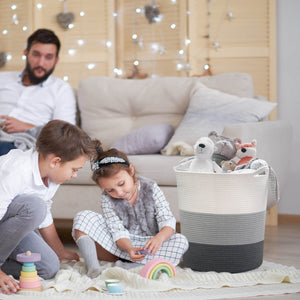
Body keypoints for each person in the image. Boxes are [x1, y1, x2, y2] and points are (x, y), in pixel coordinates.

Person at [0, 120, 96, 295]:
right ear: (56, 162)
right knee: (34, 207)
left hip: (7, 226)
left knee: (48, 267)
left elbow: (45, 215)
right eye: (74, 169)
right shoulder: (16, 170)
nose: (74, 175)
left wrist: (59, 251)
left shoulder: (52, 176)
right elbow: (37, 210)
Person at [72, 145, 189, 278]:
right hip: (123, 245)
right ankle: (94, 268)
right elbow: (116, 230)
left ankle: (128, 265)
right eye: (110, 190)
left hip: (150, 245)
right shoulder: (107, 198)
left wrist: (159, 238)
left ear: (131, 171)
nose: (119, 193)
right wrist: (129, 248)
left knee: (181, 241)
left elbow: (167, 219)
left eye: (121, 184)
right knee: (82, 217)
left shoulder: (151, 188)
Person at [0, 28, 76, 156]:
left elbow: (66, 134)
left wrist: (27, 126)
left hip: (21, 144)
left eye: (48, 57)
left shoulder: (61, 89)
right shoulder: (3, 78)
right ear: (26, 53)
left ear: (56, 60)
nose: (41, 63)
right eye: (36, 55)